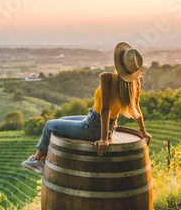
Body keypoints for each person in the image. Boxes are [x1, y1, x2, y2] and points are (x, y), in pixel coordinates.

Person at [22, 42, 152, 174]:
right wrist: (142, 131)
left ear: (117, 63)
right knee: (61, 120)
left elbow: (105, 109)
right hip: (108, 126)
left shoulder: (107, 77)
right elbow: (136, 108)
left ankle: (37, 159)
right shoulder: (134, 84)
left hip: (93, 126)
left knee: (49, 125)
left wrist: (103, 140)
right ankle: (43, 159)